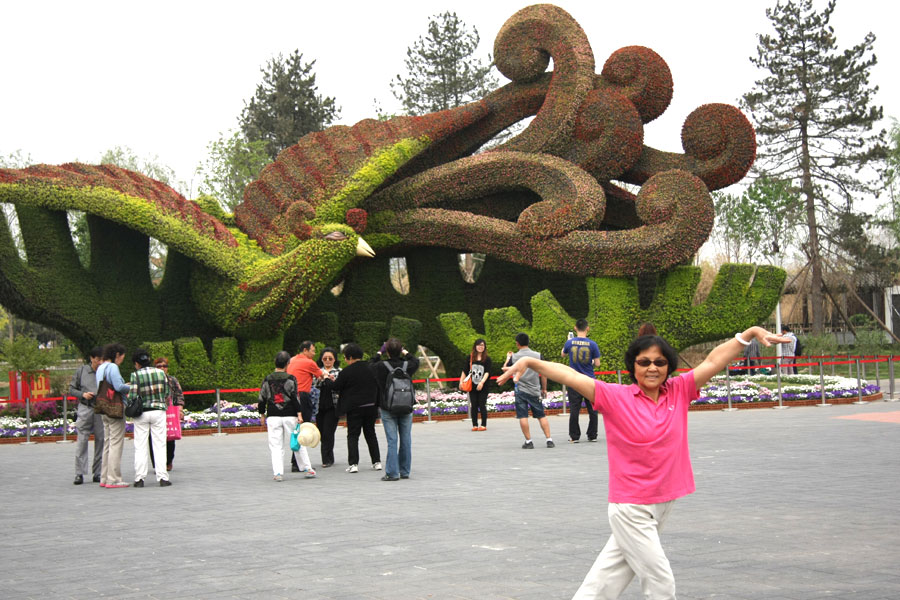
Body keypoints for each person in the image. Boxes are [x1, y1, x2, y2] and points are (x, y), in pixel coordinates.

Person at [497, 326, 788, 599]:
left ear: (668, 366)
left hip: (663, 502)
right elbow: (571, 376)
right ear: (633, 366)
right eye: (644, 362)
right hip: (632, 507)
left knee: (606, 578)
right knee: (660, 581)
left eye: (659, 362)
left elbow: (713, 361)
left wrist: (748, 334)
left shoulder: (679, 390)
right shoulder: (615, 396)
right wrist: (533, 364)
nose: (652, 368)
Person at [257, 350, 316, 481]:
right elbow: (295, 398)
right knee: (297, 441)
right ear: (288, 363)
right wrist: (299, 413)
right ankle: (307, 468)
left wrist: (262, 414)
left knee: (276, 445)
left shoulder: (267, 379)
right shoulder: (291, 379)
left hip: (273, 415)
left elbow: (262, 398)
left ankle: (278, 473)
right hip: (290, 415)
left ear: (275, 362)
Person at [372, 338, 419, 481]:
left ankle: (392, 473)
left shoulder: (380, 366)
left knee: (392, 440)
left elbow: (370, 364)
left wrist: (379, 352)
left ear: (387, 352)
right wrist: (406, 352)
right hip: (406, 407)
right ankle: (405, 471)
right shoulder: (407, 365)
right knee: (406, 439)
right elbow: (416, 361)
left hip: (388, 407)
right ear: (400, 350)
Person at [332, 343, 382, 473]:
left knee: (353, 435)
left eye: (345, 357)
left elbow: (336, 386)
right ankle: (377, 462)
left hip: (354, 408)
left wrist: (327, 380)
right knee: (370, 433)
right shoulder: (371, 368)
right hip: (371, 406)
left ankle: (353, 464)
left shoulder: (346, 371)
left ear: (349, 357)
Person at [128, 349, 171, 487]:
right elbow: (167, 392)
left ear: (137, 363)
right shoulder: (160, 373)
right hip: (158, 411)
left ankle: (139, 479)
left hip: (142, 413)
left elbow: (133, 396)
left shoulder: (135, 375)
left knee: (140, 445)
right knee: (159, 444)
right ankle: (163, 477)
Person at [502, 332, 553, 449]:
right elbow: (544, 373)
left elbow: (505, 370)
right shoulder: (538, 355)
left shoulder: (514, 357)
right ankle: (549, 439)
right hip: (535, 390)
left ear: (517, 343)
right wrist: (544, 388)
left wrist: (508, 358)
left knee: (523, 416)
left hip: (520, 390)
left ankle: (529, 441)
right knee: (541, 415)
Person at [95, 343, 130, 489]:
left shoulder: (100, 367)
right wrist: (131, 386)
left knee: (108, 443)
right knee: (116, 443)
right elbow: (118, 387)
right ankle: (114, 478)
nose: (122, 360)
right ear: (117, 355)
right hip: (115, 408)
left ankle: (104, 477)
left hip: (103, 407)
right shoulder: (113, 367)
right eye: (122, 357)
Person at [287, 340, 325, 472]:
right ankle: (299, 463)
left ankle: (296, 462)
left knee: (296, 429)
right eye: (313, 351)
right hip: (302, 397)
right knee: (303, 430)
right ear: (305, 350)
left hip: (290, 398)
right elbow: (321, 376)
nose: (314, 354)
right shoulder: (309, 362)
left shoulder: (291, 360)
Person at [562, 319, 601, 443]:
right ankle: (592, 435)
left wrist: (568, 341)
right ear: (587, 328)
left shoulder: (570, 343)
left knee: (574, 409)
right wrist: (592, 362)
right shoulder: (593, 344)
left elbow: (563, 354)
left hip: (574, 380)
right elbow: (598, 364)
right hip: (589, 380)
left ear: (575, 328)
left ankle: (574, 436)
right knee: (592, 409)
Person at [71, 346, 103, 485]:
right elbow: (72, 389)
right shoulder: (82, 371)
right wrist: (83, 394)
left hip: (101, 409)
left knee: (101, 440)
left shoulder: (105, 371)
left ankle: (98, 472)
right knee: (82, 440)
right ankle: (79, 473)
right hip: (85, 408)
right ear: (91, 358)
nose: (100, 362)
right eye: (98, 359)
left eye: (102, 359)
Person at [148, 357, 184, 472]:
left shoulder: (172, 380)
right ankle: (157, 464)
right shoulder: (150, 380)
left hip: (170, 412)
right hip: (154, 412)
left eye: (164, 366)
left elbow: (179, 395)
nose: (162, 368)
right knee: (153, 438)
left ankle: (168, 462)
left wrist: (180, 410)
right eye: (159, 366)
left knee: (170, 437)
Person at [315, 347, 341, 468]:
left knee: (328, 432)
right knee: (321, 432)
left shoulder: (339, 371)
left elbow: (341, 387)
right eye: (325, 358)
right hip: (319, 406)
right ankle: (328, 456)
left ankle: (327, 459)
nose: (327, 360)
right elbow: (312, 386)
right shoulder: (317, 371)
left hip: (333, 406)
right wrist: (321, 378)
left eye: (330, 358)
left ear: (335, 359)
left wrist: (332, 380)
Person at [461, 338, 492, 431]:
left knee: (482, 404)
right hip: (472, 385)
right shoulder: (470, 357)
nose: (480, 347)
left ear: (485, 347)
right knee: (473, 405)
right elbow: (465, 370)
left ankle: (483, 424)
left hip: (483, 385)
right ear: (475, 346)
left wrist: (482, 382)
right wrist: (461, 381)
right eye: (479, 345)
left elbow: (487, 372)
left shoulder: (487, 359)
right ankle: (474, 424)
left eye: (482, 345)